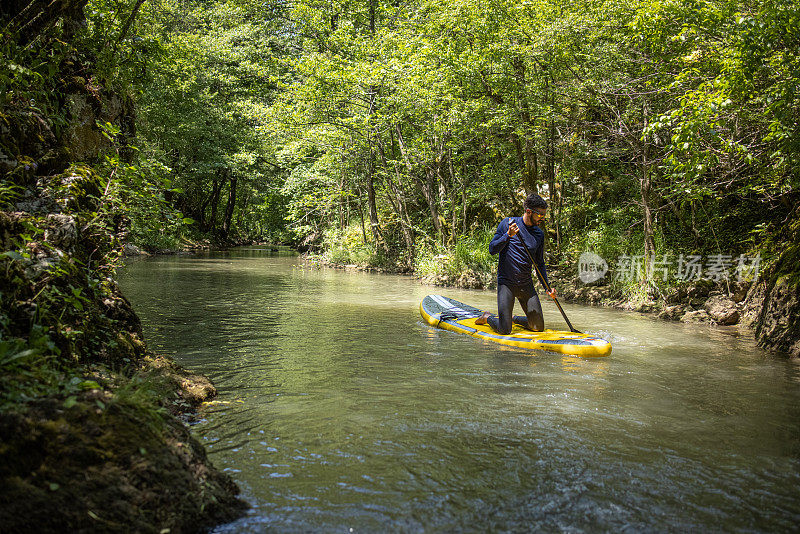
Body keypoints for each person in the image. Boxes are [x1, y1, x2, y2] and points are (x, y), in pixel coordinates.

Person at [475, 193, 556, 334]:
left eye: (544, 215)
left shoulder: (539, 234)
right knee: (504, 330)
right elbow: (492, 249)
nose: (542, 219)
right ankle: (487, 317)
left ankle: (512, 318)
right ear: (529, 212)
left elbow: (539, 263)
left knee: (538, 327)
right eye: (540, 215)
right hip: (506, 284)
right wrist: (507, 236)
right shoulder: (508, 223)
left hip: (525, 284)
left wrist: (548, 287)